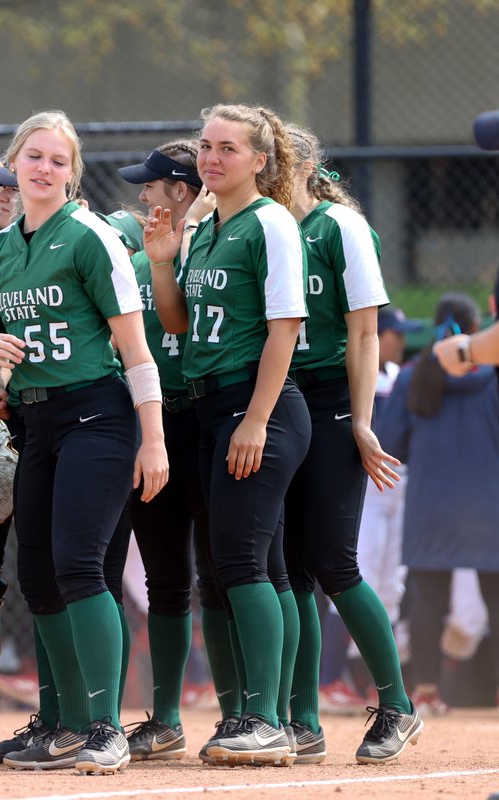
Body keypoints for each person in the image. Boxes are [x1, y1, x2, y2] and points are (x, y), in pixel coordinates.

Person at [0, 109, 168, 774]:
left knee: (81, 566)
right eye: (35, 157)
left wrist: (153, 440)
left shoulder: (88, 237)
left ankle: (103, 727)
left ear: (71, 172)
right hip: (36, 422)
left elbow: (136, 350)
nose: (45, 168)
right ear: (15, 166)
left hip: (98, 416)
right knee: (37, 575)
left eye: (58, 160)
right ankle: (60, 724)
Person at [143, 104, 311, 767]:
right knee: (248, 565)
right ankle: (260, 713)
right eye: (207, 146)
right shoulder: (209, 225)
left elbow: (285, 329)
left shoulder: (271, 223)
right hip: (213, 409)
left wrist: (258, 419)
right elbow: (179, 325)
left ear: (260, 162)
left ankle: (270, 719)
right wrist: (162, 262)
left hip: (256, 404)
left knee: (241, 561)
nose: (212, 158)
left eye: (228, 149)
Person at [279, 124, 419, 766]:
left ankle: (398, 705)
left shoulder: (340, 227)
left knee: (334, 561)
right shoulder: (263, 227)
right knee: (293, 568)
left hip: (334, 398)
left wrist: (362, 423)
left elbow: (365, 334)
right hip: (281, 399)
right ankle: (303, 720)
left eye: (274, 159)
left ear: (305, 164)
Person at [116, 141, 213, 762]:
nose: (143, 193)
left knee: (234, 571)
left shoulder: (213, 246)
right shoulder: (128, 250)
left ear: (183, 190)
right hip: (154, 429)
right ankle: (169, 716)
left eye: (153, 184)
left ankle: (256, 712)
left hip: (207, 418)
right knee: (165, 577)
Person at [384, 293, 499, 721]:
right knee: (498, 601)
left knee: (429, 600)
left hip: (431, 502)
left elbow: (390, 442)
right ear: (475, 328)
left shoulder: (415, 374)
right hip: (490, 502)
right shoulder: (492, 371)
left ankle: (428, 691)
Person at [319, 306, 421, 714]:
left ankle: (373, 683)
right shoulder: (357, 371)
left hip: (400, 482)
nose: (402, 341)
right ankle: (326, 680)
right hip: (368, 485)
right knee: (353, 574)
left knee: (391, 586)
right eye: (397, 333)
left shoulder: (400, 376)